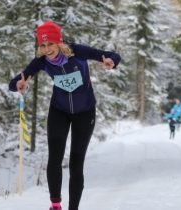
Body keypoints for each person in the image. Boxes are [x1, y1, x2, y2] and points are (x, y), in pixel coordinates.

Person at [9, 21, 121, 210]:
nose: (47, 49)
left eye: (50, 44)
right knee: (54, 159)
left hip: (85, 113)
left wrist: (111, 62)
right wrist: (19, 85)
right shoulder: (42, 61)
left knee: (76, 163)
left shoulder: (77, 51)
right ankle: (55, 205)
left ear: (59, 42)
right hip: (59, 111)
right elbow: (16, 81)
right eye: (42, 45)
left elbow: (111, 55)